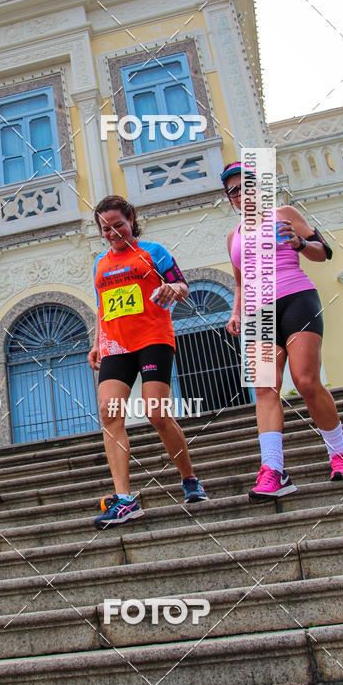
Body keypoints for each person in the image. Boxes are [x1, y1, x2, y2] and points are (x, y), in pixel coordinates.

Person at [222, 161, 343, 498]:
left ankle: (340, 454)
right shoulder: (233, 236)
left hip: (296, 298)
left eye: (244, 187)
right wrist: (235, 313)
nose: (239, 195)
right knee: (265, 388)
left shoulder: (285, 213)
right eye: (232, 191)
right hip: (257, 313)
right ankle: (273, 471)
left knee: (306, 381)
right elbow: (239, 283)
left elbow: (324, 253)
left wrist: (299, 244)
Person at [89, 195, 207, 530]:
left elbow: (181, 284)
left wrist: (174, 288)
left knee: (157, 414)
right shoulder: (99, 263)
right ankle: (125, 499)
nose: (112, 233)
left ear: (131, 220)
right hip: (115, 345)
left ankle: (189, 479)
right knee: (109, 413)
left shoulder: (154, 252)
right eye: (105, 228)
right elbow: (102, 307)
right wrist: (97, 343)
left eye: (118, 226)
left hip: (153, 339)